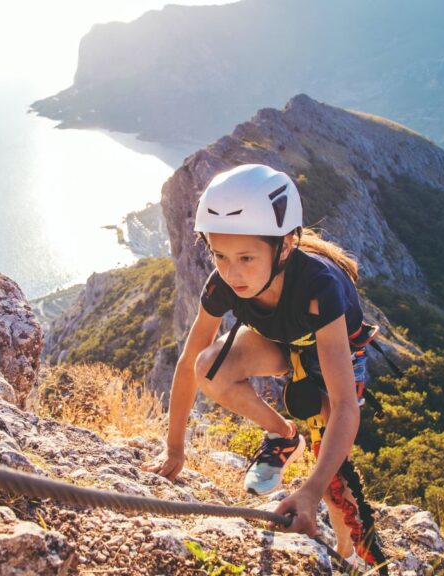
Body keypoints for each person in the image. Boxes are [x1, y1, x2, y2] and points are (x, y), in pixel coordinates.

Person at [142, 164, 388, 569]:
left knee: (332, 471)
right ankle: (283, 437)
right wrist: (174, 449)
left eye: (246, 257)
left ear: (286, 246)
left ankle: (348, 554)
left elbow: (345, 406)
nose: (231, 272)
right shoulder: (224, 285)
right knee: (210, 368)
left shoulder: (318, 287)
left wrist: (309, 491)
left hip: (330, 348)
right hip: (282, 340)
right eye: (219, 255)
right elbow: (189, 364)